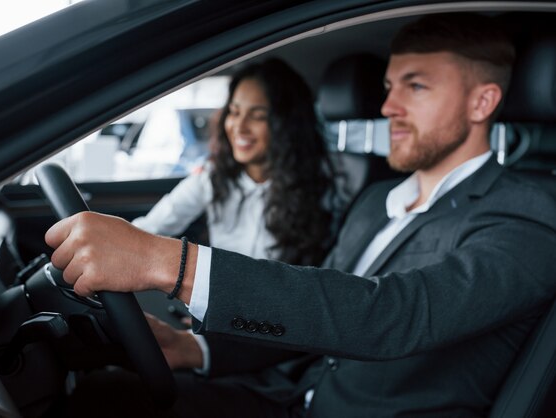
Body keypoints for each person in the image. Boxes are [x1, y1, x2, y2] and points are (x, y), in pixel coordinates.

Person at [45, 13, 556, 417]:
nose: (387, 107)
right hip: (291, 397)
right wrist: (196, 351)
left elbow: (391, 316)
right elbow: (318, 320)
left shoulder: (527, 215)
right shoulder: (378, 201)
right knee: (105, 393)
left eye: (415, 87)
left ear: (481, 102)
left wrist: (168, 262)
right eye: (389, 86)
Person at [132, 58, 335, 266]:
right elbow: (152, 226)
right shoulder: (212, 177)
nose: (239, 126)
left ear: (287, 124)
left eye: (257, 116)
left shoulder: (320, 184)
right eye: (234, 112)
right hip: (222, 295)